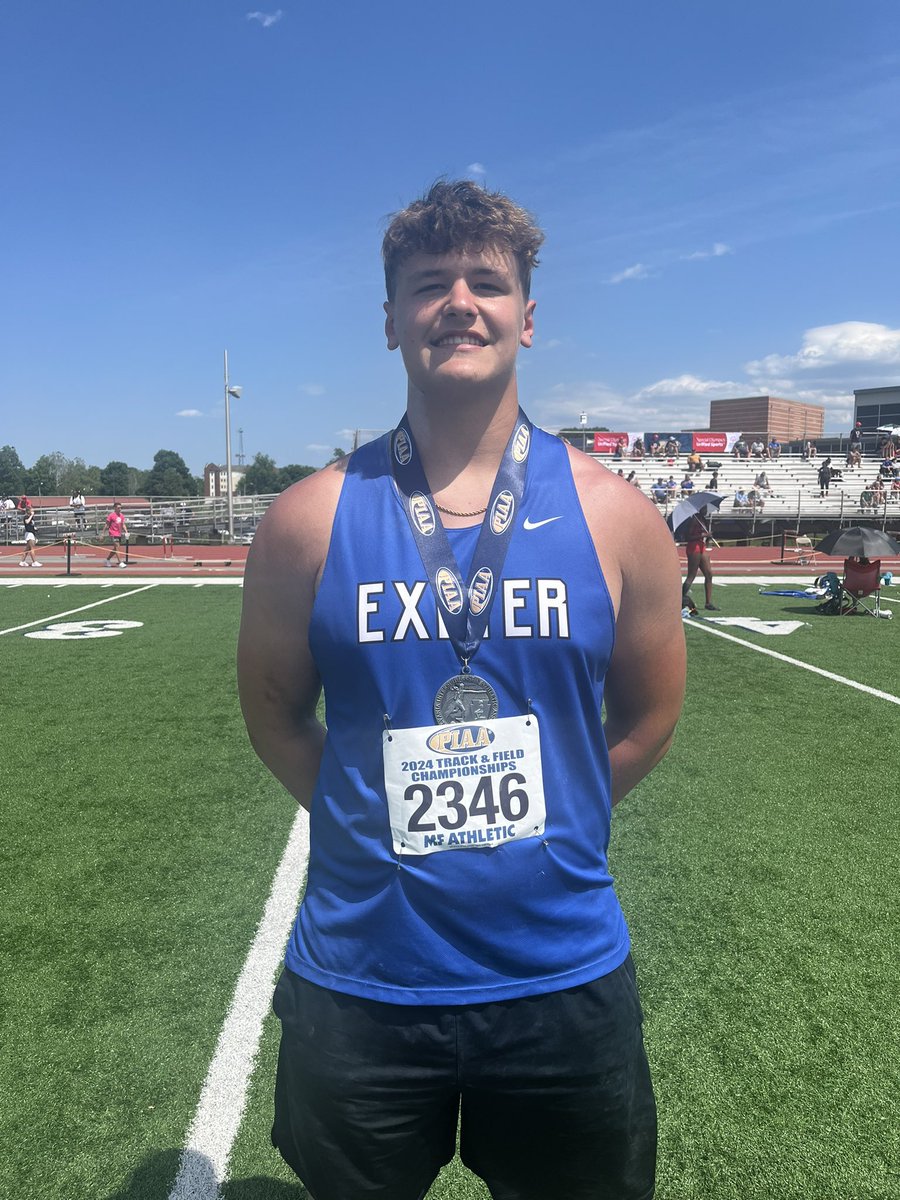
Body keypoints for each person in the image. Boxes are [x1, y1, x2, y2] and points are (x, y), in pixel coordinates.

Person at [237, 179, 686, 1200]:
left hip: (561, 979)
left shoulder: (617, 517)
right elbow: (274, 714)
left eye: (488, 282)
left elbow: (651, 716)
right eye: (430, 284)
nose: (460, 302)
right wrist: (372, 814)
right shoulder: (308, 520)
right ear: (392, 318)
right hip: (361, 987)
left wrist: (558, 810)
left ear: (526, 315)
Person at [680, 511, 718, 611]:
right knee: (691, 576)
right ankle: (680, 599)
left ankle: (708, 603)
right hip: (694, 547)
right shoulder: (694, 519)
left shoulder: (702, 519)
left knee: (709, 574)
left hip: (701, 546)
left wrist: (708, 537)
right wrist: (704, 535)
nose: (706, 509)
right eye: (704, 507)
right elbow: (689, 537)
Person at [105, 502, 129, 567]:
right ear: (115, 508)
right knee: (117, 547)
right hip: (113, 533)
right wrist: (103, 533)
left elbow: (123, 524)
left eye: (120, 508)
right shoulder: (111, 515)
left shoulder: (121, 516)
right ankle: (120, 562)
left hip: (119, 533)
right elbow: (107, 524)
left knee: (116, 548)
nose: (120, 509)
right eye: (118, 508)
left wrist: (126, 531)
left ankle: (107, 559)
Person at [19, 501, 41, 567]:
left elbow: (31, 525)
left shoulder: (32, 518)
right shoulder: (26, 517)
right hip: (29, 534)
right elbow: (27, 522)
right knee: (32, 548)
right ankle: (34, 562)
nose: (33, 511)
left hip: (32, 533)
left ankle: (22, 561)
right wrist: (31, 515)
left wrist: (35, 529)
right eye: (31, 510)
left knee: (27, 549)